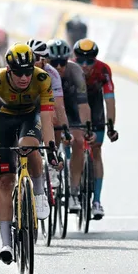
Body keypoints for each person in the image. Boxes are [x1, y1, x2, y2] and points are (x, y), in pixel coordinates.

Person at [0, 43, 60, 264]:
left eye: (28, 72)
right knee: (5, 182)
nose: (25, 77)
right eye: (19, 73)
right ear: (9, 70)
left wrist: (52, 148)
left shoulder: (42, 78)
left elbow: (46, 120)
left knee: (29, 145)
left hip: (29, 117)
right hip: (4, 120)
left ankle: (38, 192)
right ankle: (6, 244)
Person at [73, 38, 119, 218]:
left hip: (95, 106)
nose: (85, 65)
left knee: (96, 150)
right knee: (72, 143)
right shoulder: (69, 67)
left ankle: (97, 201)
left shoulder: (103, 70)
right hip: (73, 104)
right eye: (81, 61)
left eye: (89, 61)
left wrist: (111, 126)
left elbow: (109, 99)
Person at [46, 39, 92, 211]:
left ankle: (73, 192)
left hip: (71, 109)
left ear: (68, 60)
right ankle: (52, 167)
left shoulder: (76, 71)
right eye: (54, 62)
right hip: (52, 110)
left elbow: (83, 104)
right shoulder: (45, 72)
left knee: (79, 142)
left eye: (62, 62)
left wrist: (86, 127)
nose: (58, 67)